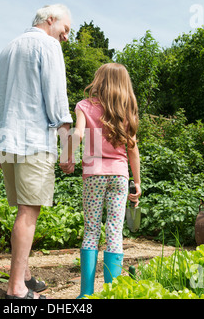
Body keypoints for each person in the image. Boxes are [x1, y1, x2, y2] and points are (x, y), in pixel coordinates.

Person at [0, 4, 73, 299]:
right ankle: (16, 289)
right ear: (50, 21)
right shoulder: (47, 45)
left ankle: (24, 275)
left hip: (7, 142)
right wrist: (68, 150)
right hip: (34, 141)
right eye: (66, 29)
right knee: (28, 212)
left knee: (21, 210)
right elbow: (57, 101)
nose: (66, 37)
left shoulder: (8, 48)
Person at [60, 63, 142, 299]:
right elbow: (133, 148)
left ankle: (86, 294)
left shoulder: (84, 106)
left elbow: (77, 134)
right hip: (119, 175)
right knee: (115, 231)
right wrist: (137, 182)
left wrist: (68, 157)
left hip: (94, 175)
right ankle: (111, 293)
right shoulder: (128, 110)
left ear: (100, 81)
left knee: (92, 231)